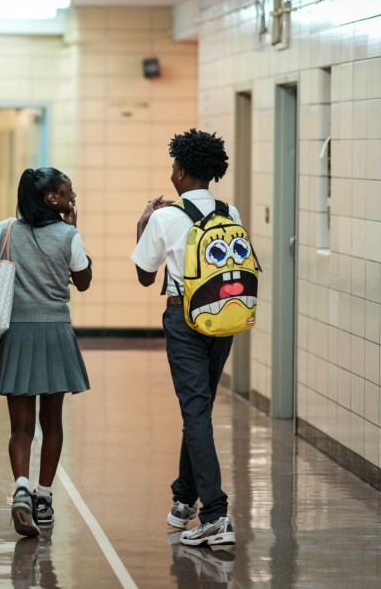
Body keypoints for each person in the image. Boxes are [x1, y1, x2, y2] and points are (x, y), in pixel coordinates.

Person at [130, 128, 239, 547]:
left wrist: (141, 224)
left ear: (180, 170)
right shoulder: (232, 212)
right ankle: (183, 500)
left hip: (184, 320)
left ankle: (214, 514)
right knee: (200, 407)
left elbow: (144, 276)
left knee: (195, 411)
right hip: (225, 319)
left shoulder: (165, 216)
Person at [0, 167, 93, 537]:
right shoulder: (67, 235)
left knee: (21, 426)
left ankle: (21, 488)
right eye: (68, 192)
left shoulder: (5, 230)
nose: (73, 197)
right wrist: (73, 229)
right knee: (51, 421)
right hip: (55, 333)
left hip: (18, 335)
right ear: (51, 199)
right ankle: (44, 497)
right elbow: (84, 281)